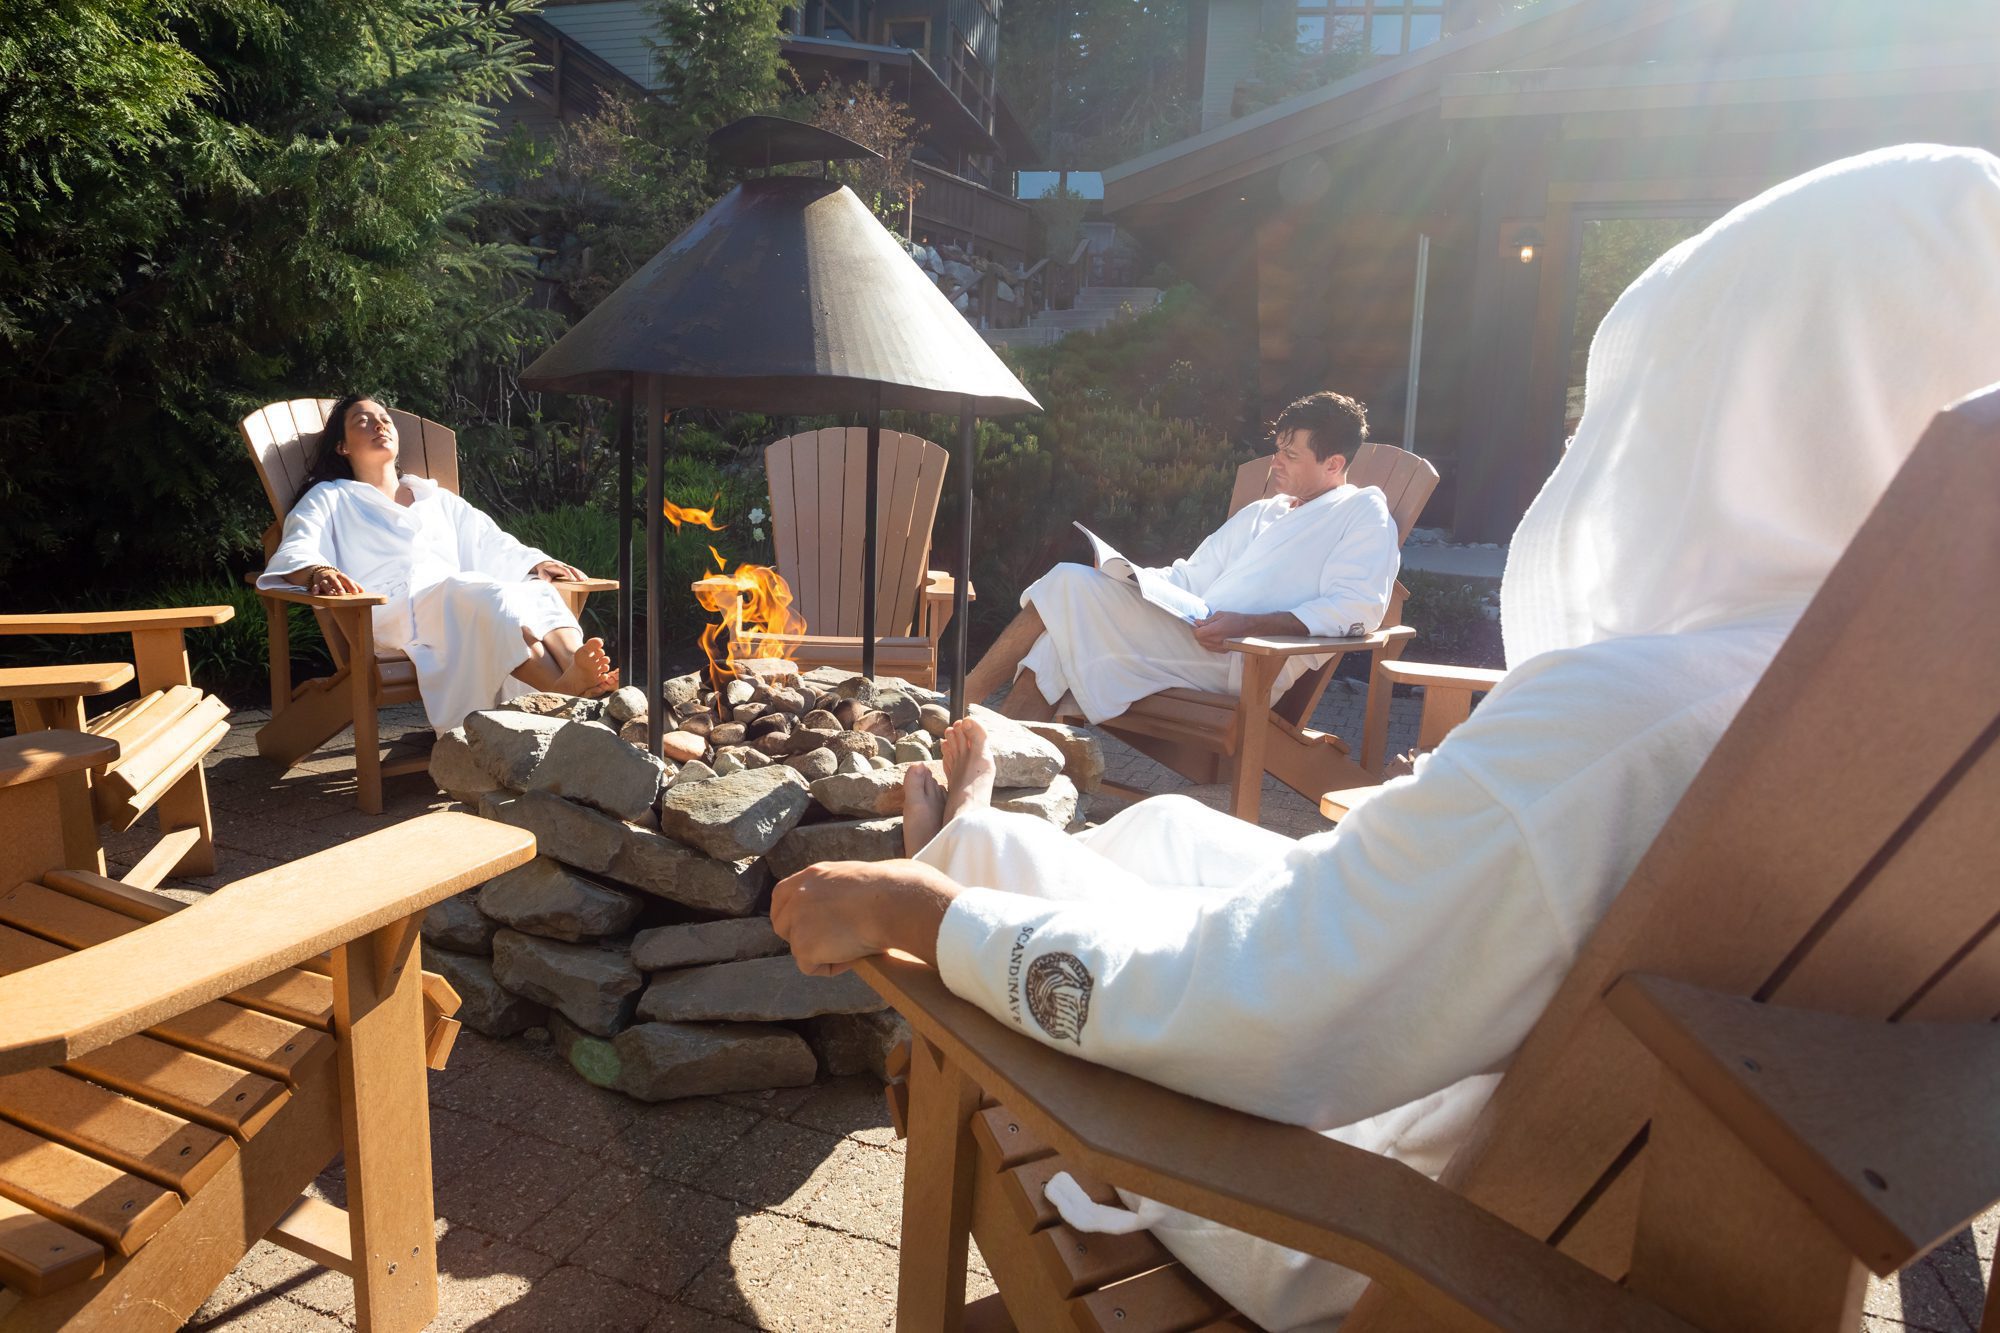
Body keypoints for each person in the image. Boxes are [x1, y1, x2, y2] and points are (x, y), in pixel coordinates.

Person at [770, 143, 2000, 1330]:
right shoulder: (1910, 740)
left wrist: (911, 913)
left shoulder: (1633, 724)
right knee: (1168, 831)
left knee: (979, 884)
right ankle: (982, 835)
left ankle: (954, 848)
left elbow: (1263, 1014)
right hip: (1592, 1181)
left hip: (1368, 1231)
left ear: (1735, 400)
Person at [967, 390, 1402, 723]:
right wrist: (1126, 578)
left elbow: (1357, 607)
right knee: (1056, 641)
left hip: (1246, 660)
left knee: (1067, 581)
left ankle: (958, 703)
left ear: (1333, 464)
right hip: (1193, 637)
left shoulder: (1362, 512)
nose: (1276, 464)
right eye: (1277, 450)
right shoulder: (1263, 512)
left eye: (1291, 455)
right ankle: (1004, 768)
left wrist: (1248, 625)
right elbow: (1190, 578)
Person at [259, 394, 617, 735]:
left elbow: (490, 542)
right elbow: (298, 546)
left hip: (459, 599)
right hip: (389, 607)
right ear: (343, 446)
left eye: (384, 420)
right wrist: (320, 570)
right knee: (481, 595)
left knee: (535, 590)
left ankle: (575, 669)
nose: (378, 425)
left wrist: (539, 562)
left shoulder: (434, 498)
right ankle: (564, 690)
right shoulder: (331, 497)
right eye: (362, 422)